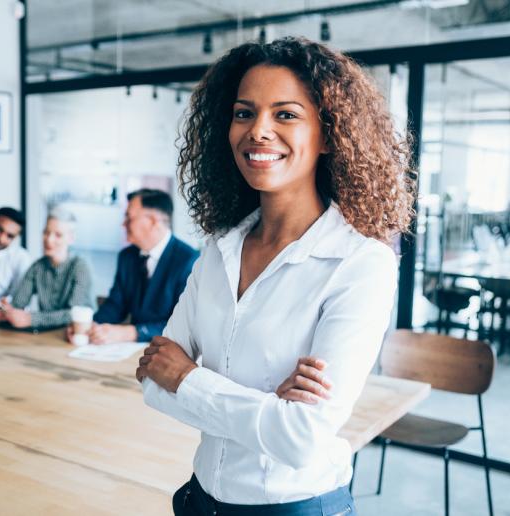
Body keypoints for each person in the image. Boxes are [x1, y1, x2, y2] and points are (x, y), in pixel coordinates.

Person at [135, 37, 415, 515]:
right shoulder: (220, 248)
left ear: (329, 134)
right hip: (201, 500)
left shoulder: (359, 263)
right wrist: (266, 407)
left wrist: (190, 377)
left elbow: (302, 439)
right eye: (244, 113)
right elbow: (152, 383)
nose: (258, 131)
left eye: (285, 114)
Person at [67, 189, 198, 344]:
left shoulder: (189, 261)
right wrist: (91, 326)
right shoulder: (127, 256)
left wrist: (131, 333)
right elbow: (116, 305)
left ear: (153, 221)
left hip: (169, 353)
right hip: (130, 353)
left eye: (129, 218)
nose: (123, 224)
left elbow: (185, 326)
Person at [0, 208, 94, 329]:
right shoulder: (37, 267)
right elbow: (17, 304)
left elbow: (73, 314)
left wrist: (31, 319)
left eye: (58, 235)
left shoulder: (80, 267)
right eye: (46, 232)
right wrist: (4, 310)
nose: (49, 239)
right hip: (48, 336)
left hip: (79, 335)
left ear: (71, 239)